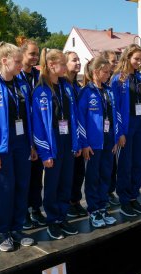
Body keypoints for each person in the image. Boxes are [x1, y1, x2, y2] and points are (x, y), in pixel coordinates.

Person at [0, 41, 36, 252]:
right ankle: (3, 232)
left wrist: (31, 145)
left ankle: (17, 228)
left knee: (22, 188)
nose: (22, 65)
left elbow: (28, 117)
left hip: (22, 146)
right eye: (18, 61)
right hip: (1, 149)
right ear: (4, 61)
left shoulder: (22, 85)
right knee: (5, 191)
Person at [32, 48, 81, 240]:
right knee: (52, 185)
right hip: (51, 145)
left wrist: (76, 143)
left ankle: (62, 217)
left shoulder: (67, 87)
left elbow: (75, 116)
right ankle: (52, 220)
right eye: (62, 63)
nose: (65, 66)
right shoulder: (40, 90)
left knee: (66, 182)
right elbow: (38, 125)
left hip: (67, 141)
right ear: (52, 65)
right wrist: (45, 153)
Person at [77, 56, 119, 228]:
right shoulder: (86, 92)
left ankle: (102, 208)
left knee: (105, 176)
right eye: (105, 72)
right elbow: (80, 119)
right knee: (93, 178)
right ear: (95, 72)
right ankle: (93, 210)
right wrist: (84, 143)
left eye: (109, 72)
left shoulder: (109, 91)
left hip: (108, 142)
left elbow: (114, 116)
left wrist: (116, 139)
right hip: (93, 144)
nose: (108, 75)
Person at [110, 44, 141, 217]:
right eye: (136, 58)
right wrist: (119, 133)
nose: (139, 62)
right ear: (127, 58)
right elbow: (115, 108)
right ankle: (124, 201)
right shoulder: (118, 79)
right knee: (125, 166)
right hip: (126, 128)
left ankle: (134, 198)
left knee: (138, 164)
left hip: (140, 125)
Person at [16, 37, 47, 230]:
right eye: (32, 54)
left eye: (37, 54)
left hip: (39, 133)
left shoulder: (39, 76)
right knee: (24, 177)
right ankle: (24, 212)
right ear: (22, 54)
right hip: (22, 134)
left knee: (37, 176)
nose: (35, 57)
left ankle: (36, 208)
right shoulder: (15, 77)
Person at [64, 51, 88, 218]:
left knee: (79, 171)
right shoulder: (62, 85)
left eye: (78, 59)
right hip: (67, 135)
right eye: (74, 60)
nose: (78, 62)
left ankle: (76, 201)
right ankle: (66, 204)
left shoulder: (78, 86)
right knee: (69, 173)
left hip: (79, 135)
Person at [100, 50, 121, 206]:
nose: (115, 64)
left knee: (112, 165)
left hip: (112, 131)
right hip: (99, 134)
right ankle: (101, 195)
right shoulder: (98, 85)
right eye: (113, 61)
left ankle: (109, 191)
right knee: (101, 167)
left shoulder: (114, 82)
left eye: (115, 61)